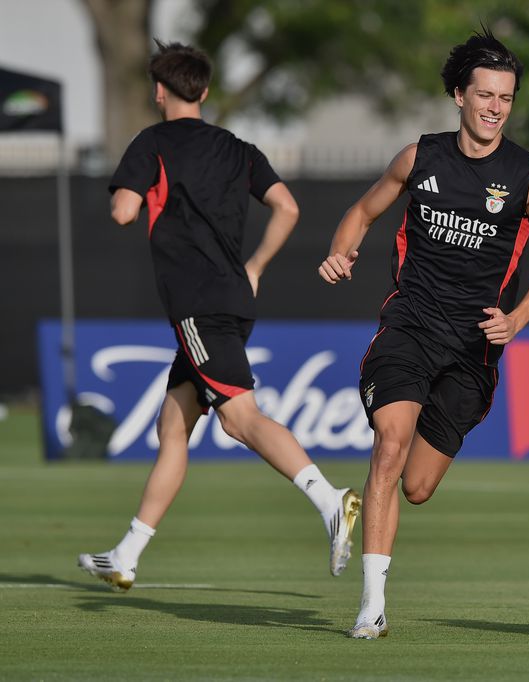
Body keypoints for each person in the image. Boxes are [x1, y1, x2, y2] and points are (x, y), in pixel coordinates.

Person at [78, 40, 360, 591]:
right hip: (231, 296)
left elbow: (123, 212)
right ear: (204, 92)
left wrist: (132, 196)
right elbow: (288, 207)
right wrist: (255, 265)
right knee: (173, 426)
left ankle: (330, 501)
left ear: (159, 92)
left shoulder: (153, 142)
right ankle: (127, 554)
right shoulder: (238, 148)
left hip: (197, 303)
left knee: (239, 418)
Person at [319, 28, 529, 639]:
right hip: (409, 325)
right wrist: (340, 251)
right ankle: (372, 606)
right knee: (390, 444)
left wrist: (516, 319)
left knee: (417, 486)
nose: (495, 107)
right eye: (485, 95)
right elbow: (363, 212)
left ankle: (358, 507)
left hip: (472, 349)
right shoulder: (419, 158)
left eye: (506, 98)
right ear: (459, 95)